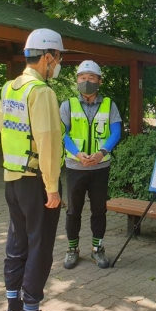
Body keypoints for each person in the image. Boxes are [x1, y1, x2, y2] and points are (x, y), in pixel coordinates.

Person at [0, 28, 66, 311]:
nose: (59, 64)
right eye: (58, 58)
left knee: (17, 243)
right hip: (36, 181)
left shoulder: (10, 88)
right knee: (40, 246)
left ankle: (13, 310)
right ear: (48, 57)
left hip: (12, 178)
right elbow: (49, 142)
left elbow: (4, 130)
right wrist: (52, 187)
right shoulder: (41, 92)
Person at [60, 60, 122, 269]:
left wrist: (101, 153)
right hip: (75, 166)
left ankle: (97, 249)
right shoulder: (67, 105)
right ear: (77, 80)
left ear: (99, 81)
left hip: (100, 167)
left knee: (99, 210)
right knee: (73, 211)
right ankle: (72, 249)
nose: (86, 81)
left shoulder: (109, 105)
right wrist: (78, 154)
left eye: (91, 78)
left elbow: (116, 132)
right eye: (82, 77)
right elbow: (63, 133)